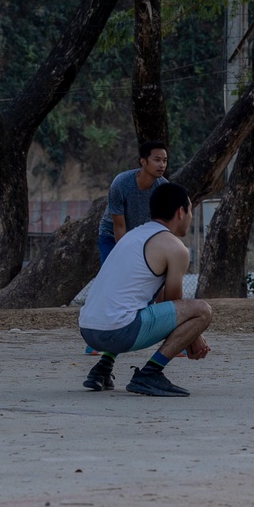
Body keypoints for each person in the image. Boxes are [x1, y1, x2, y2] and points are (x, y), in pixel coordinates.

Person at [79, 183, 212, 397]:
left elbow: (160, 303)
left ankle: (102, 368)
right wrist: (193, 337)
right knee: (202, 310)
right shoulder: (175, 248)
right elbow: (175, 306)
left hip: (88, 329)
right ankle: (150, 373)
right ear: (180, 212)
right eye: (190, 211)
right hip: (118, 332)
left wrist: (192, 335)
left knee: (133, 304)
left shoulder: (133, 236)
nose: (191, 217)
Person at [84, 141, 170, 361]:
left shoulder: (163, 188)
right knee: (112, 284)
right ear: (143, 161)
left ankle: (169, 339)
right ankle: (94, 342)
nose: (162, 165)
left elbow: (161, 225)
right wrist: (128, 259)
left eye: (165, 160)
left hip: (143, 239)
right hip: (113, 237)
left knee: (156, 285)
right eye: (157, 160)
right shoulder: (121, 183)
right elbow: (119, 227)